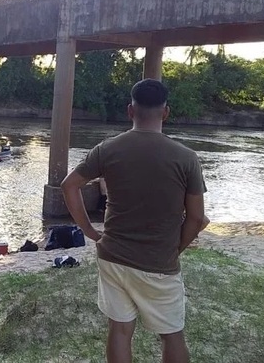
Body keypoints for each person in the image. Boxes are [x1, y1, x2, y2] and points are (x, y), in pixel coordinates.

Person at [61, 78, 210, 363]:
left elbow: (69, 186)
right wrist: (175, 248)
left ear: (130, 110)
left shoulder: (107, 149)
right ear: (166, 112)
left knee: (119, 329)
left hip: (113, 257)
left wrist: (90, 231)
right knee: (171, 334)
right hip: (159, 263)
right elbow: (196, 217)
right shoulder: (187, 159)